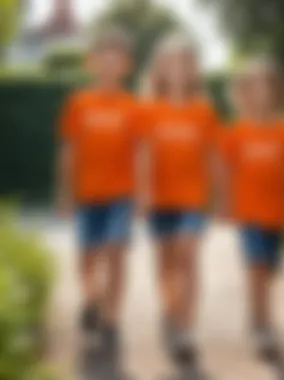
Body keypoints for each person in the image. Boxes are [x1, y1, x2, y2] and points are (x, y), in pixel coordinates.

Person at [218, 57, 284, 358]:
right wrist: (223, 204)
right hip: (249, 215)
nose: (260, 93)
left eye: (266, 87)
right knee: (256, 269)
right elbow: (224, 172)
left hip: (278, 215)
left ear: (277, 92)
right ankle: (264, 327)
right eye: (253, 88)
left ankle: (257, 315)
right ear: (243, 94)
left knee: (269, 270)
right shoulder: (236, 133)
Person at [55, 27, 140, 357]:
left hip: (121, 194)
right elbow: (68, 150)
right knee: (87, 260)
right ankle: (91, 301)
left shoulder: (133, 107)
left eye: (115, 58)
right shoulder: (78, 104)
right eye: (102, 57)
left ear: (125, 66)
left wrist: (143, 194)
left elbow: (140, 153)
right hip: (87, 195)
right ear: (91, 63)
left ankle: (111, 320)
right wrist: (64, 192)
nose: (108, 63)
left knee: (116, 252)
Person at [138, 33, 220, 368]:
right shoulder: (149, 110)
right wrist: (142, 193)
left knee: (188, 255)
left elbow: (213, 156)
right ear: (158, 69)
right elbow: (142, 154)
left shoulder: (203, 111)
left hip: (192, 199)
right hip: (159, 200)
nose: (177, 68)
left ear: (193, 70)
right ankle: (171, 312)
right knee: (166, 265)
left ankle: (187, 330)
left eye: (184, 62)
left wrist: (220, 198)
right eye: (170, 62)